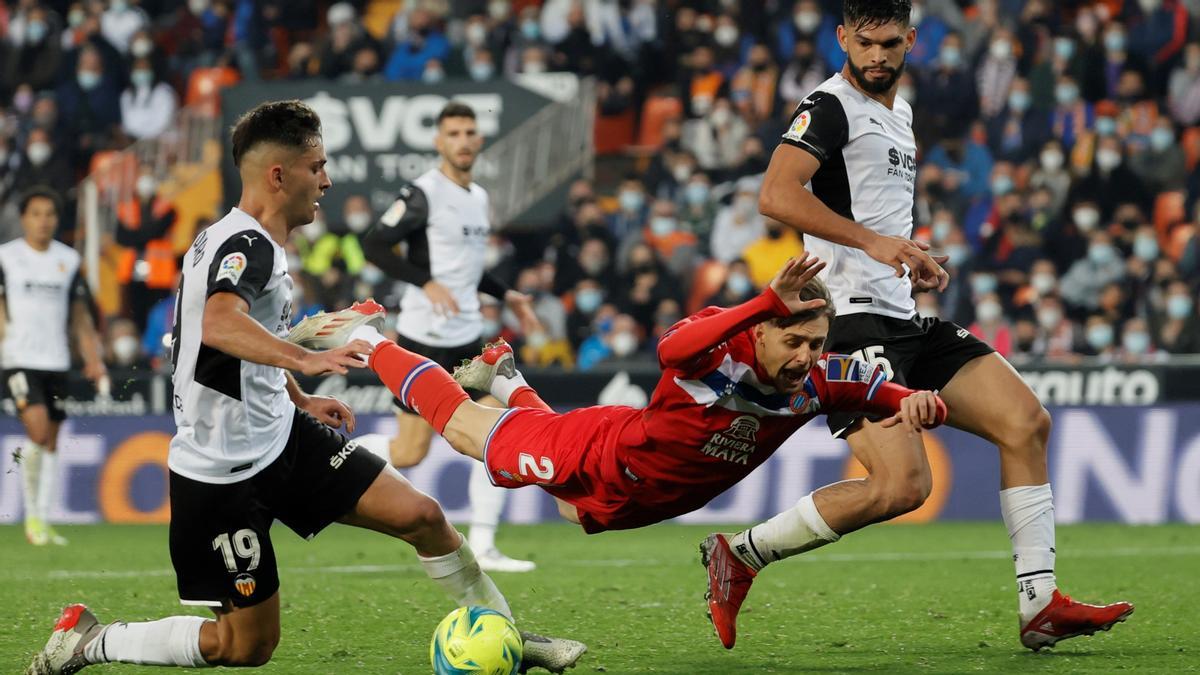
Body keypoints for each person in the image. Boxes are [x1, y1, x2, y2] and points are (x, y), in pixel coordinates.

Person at [25, 100, 584, 675]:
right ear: (278, 174)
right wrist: (307, 359)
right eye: (316, 166)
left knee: (423, 516)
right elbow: (219, 324)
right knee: (245, 647)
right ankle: (90, 641)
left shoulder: (243, 240)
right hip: (221, 474)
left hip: (285, 438)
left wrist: (296, 395)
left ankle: (508, 637)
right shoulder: (248, 246)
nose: (327, 179)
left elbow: (240, 339)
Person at [726, 0, 1132, 654]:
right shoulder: (827, 106)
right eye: (865, 43)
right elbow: (776, 195)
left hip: (902, 314)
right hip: (850, 322)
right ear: (842, 38)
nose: (877, 56)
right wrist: (877, 244)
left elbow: (871, 214)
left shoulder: (902, 112)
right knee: (902, 486)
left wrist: (907, 258)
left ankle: (1040, 603)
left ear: (911, 39)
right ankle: (741, 553)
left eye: (889, 42)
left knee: (1026, 421)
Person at [289, 254, 947, 538]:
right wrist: (762, 301)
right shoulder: (717, 350)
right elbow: (670, 351)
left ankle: (508, 378)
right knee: (464, 429)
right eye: (793, 340)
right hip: (604, 451)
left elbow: (878, 386)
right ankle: (369, 336)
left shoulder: (817, 381)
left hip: (643, 497)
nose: (806, 357)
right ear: (761, 328)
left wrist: (914, 400)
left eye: (816, 342)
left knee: (575, 517)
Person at [360, 101, 543, 573]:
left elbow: (467, 268)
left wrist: (508, 295)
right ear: (439, 142)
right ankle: (331, 459)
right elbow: (374, 243)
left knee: (499, 427)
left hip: (467, 341)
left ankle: (484, 544)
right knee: (410, 452)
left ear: (478, 141)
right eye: (454, 133)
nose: (463, 140)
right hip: (424, 338)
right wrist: (424, 282)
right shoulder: (423, 192)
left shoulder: (478, 197)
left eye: (469, 132)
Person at [1, 186, 107, 547]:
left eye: (49, 214)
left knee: (51, 441)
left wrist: (93, 358)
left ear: (57, 220)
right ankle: (33, 519)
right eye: (36, 214)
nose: (43, 221)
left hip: (56, 360)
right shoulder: (6, 257)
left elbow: (80, 317)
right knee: (38, 430)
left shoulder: (68, 261)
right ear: (24, 218)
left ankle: (42, 520)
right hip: (17, 359)